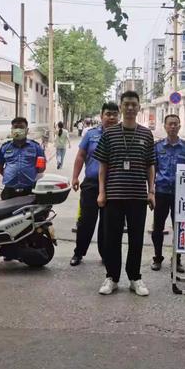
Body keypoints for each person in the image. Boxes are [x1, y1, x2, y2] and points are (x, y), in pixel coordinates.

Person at [94, 90, 156, 296]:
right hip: (114, 195)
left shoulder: (146, 134)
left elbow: (150, 166)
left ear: (139, 107)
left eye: (133, 104)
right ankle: (111, 277)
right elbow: (103, 166)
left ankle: (135, 278)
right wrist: (101, 193)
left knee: (136, 239)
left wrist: (152, 191)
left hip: (138, 196)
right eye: (126, 104)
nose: (130, 108)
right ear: (121, 107)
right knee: (111, 238)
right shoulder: (109, 133)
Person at [70, 102, 119, 266]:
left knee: (108, 223)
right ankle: (78, 253)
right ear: (101, 115)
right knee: (86, 221)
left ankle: (105, 255)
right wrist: (75, 177)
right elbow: (80, 156)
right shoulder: (91, 135)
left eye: (114, 114)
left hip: (113, 185)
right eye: (108, 114)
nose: (111, 117)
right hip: (91, 184)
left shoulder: (122, 135)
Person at [151, 114, 185, 272]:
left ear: (180, 126)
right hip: (161, 193)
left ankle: (177, 259)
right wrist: (150, 191)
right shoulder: (157, 147)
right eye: (170, 124)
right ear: (165, 126)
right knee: (158, 228)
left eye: (176, 124)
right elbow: (152, 170)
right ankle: (157, 257)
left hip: (180, 194)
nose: (173, 127)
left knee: (180, 228)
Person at [0, 117, 46, 200]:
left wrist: (29, 174)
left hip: (30, 190)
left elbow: (41, 168)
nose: (18, 130)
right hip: (9, 190)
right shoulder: (5, 147)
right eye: (15, 127)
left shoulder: (36, 147)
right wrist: (9, 175)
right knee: (6, 212)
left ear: (27, 130)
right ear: (12, 130)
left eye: (21, 127)